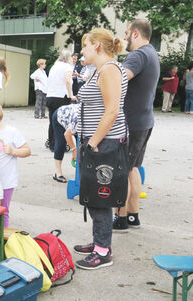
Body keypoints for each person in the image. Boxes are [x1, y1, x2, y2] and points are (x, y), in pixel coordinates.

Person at [73, 28, 127, 270]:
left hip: (105, 143)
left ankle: (103, 252)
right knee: (95, 195)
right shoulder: (99, 70)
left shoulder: (109, 70)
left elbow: (112, 111)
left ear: (96, 45)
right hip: (98, 141)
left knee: (101, 197)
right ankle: (99, 243)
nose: (82, 50)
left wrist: (93, 142)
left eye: (85, 45)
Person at [113, 19, 160, 232]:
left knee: (122, 170)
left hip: (131, 123)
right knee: (132, 168)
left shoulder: (138, 55)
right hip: (144, 121)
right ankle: (133, 216)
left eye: (126, 33)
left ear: (135, 34)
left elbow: (119, 79)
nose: (124, 37)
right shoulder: (151, 53)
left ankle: (121, 218)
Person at [45, 50, 77, 151]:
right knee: (61, 122)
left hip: (50, 96)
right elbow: (68, 81)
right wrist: (71, 95)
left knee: (52, 121)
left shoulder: (54, 66)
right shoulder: (67, 67)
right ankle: (59, 145)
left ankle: (52, 144)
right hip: (61, 97)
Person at [51, 103, 79, 183]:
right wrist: (74, 150)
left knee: (82, 145)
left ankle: (82, 172)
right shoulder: (78, 119)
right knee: (61, 143)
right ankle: (57, 172)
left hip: (72, 118)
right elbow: (67, 134)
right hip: (60, 116)